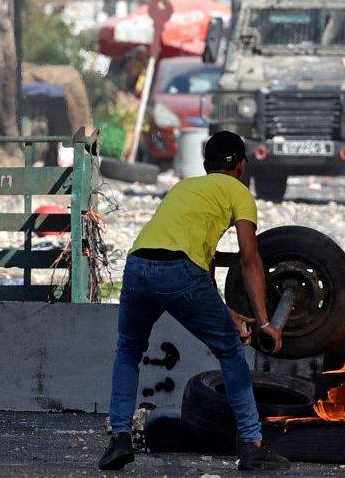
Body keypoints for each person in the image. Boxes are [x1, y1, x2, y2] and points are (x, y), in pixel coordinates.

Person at [99, 131, 290, 471]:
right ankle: (251, 444)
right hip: (179, 271)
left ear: (205, 165)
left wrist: (226, 313)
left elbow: (200, 274)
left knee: (128, 350)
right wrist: (263, 322)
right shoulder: (238, 192)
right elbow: (249, 258)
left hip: (139, 264)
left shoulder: (184, 187)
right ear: (242, 166)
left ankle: (119, 438)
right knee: (230, 351)